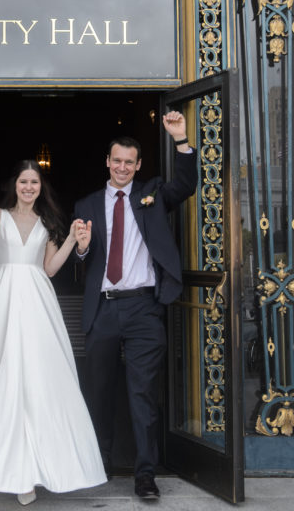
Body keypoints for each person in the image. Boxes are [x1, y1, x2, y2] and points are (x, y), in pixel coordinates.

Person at [0, 160, 106, 505]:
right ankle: (7, 472)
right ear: (14, 184)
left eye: (34, 182)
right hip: (3, 301)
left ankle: (40, 469)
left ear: (40, 186)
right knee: (1, 380)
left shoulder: (47, 223)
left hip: (37, 303)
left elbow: (48, 268)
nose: (29, 187)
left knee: (40, 382)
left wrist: (74, 241)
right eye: (23, 181)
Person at [73, 111, 197, 500]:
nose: (123, 167)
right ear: (107, 162)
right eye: (117, 160)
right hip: (103, 309)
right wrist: (81, 249)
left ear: (138, 165)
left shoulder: (153, 195)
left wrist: (180, 140)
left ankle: (145, 475)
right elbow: (83, 260)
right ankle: (99, 464)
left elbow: (187, 184)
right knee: (99, 392)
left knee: (142, 393)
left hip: (144, 308)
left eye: (130, 162)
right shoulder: (87, 204)